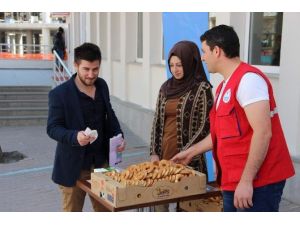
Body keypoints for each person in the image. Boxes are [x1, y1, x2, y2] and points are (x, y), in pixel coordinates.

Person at [172, 25, 295, 212]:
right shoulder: (223, 87)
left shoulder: (249, 81)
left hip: (258, 182)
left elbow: (263, 133)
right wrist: (191, 152)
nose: (203, 57)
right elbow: (220, 133)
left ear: (217, 51)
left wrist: (246, 181)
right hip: (233, 180)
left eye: (204, 51)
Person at [47, 42, 125, 212]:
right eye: (86, 69)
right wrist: (75, 136)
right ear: (76, 65)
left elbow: (109, 114)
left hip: (101, 164)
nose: (91, 74)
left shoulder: (102, 85)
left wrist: (119, 135)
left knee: (106, 211)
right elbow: (52, 127)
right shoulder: (59, 94)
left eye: (95, 69)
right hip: (73, 167)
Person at [150, 40, 213, 211]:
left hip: (189, 161)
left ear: (190, 62)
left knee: (187, 208)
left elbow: (205, 126)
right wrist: (154, 153)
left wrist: (186, 152)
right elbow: (157, 121)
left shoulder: (202, 88)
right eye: (171, 65)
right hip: (164, 159)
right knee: (159, 205)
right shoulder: (166, 88)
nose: (175, 69)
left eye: (180, 64)